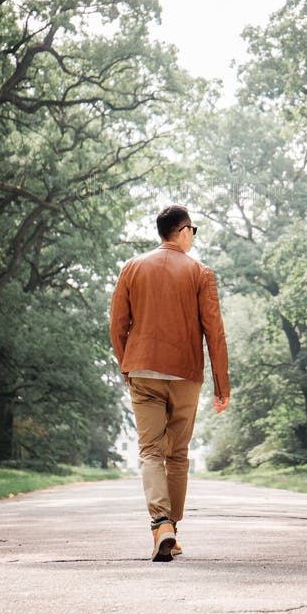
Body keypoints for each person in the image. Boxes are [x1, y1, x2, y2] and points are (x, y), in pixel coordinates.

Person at [109, 203, 230, 562]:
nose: (193, 236)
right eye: (193, 230)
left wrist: (126, 366)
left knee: (149, 451)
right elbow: (215, 333)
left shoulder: (132, 267)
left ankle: (162, 525)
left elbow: (117, 324)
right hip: (184, 374)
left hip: (142, 372)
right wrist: (222, 387)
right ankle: (170, 527)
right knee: (177, 455)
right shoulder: (200, 273)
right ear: (183, 231)